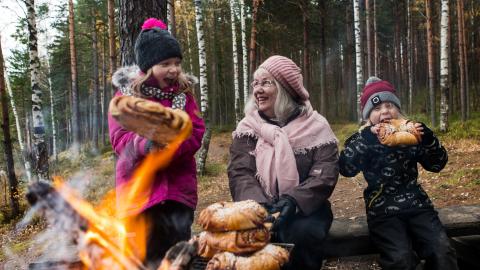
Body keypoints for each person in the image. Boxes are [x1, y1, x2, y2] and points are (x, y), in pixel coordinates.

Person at [108, 18, 205, 268]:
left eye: (176, 63)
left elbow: (195, 132)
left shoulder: (184, 96)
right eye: (165, 64)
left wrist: (172, 149)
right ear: (148, 67)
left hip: (177, 194)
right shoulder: (126, 98)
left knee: (177, 258)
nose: (173, 69)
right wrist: (146, 145)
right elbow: (120, 140)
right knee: (144, 259)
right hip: (140, 197)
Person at [228, 55, 339, 270]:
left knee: (301, 235)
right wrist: (259, 206)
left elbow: (325, 172)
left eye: (266, 83)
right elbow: (240, 172)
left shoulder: (316, 125)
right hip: (256, 209)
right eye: (256, 83)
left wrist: (293, 202)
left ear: (286, 89)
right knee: (247, 242)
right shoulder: (247, 127)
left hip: (305, 209)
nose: (258, 90)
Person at [339, 77, 458, 270]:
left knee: (442, 251)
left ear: (398, 109)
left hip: (418, 205)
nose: (384, 111)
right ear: (368, 117)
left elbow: (438, 164)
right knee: (401, 259)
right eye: (376, 109)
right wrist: (366, 139)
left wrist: (427, 139)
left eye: (389, 105)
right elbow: (346, 168)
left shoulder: (410, 134)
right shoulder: (363, 137)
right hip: (382, 210)